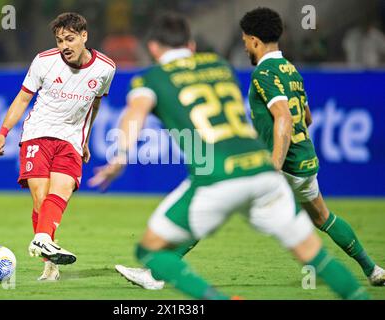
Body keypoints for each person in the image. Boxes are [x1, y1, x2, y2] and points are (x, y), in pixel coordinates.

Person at [88, 13, 369, 300]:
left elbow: (134, 114)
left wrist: (120, 156)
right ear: (192, 44)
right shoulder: (220, 66)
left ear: (153, 49)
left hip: (218, 175)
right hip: (262, 171)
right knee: (313, 254)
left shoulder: (151, 79)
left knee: (148, 249)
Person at [240, 7, 384, 286]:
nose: (245, 46)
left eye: (245, 40)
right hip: (306, 162)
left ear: (255, 41)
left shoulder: (263, 73)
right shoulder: (291, 70)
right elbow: (307, 117)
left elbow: (284, 116)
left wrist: (274, 166)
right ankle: (373, 269)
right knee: (324, 218)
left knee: (217, 196)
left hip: (285, 166)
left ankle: (158, 270)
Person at [0, 12, 116, 280]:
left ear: (84, 36)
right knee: (41, 198)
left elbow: (95, 104)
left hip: (71, 138)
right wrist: (3, 132)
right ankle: (49, 259)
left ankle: (42, 241)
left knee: (64, 189)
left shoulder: (106, 68)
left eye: (70, 39)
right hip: (38, 134)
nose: (64, 46)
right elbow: (23, 99)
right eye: (59, 40)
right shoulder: (44, 61)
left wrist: (85, 139)